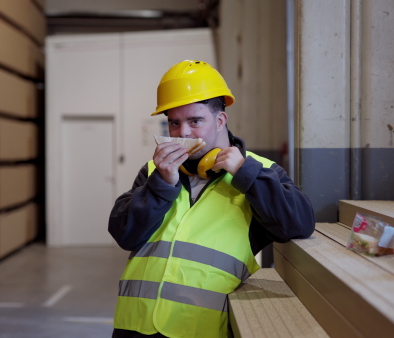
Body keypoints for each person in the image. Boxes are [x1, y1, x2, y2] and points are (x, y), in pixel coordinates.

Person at [108, 60, 315, 338]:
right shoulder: (154, 172)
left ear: (220, 120)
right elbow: (124, 234)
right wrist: (161, 185)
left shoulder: (259, 171)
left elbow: (298, 224)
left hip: (201, 329)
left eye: (195, 121)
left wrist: (246, 174)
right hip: (135, 327)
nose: (183, 133)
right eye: (174, 122)